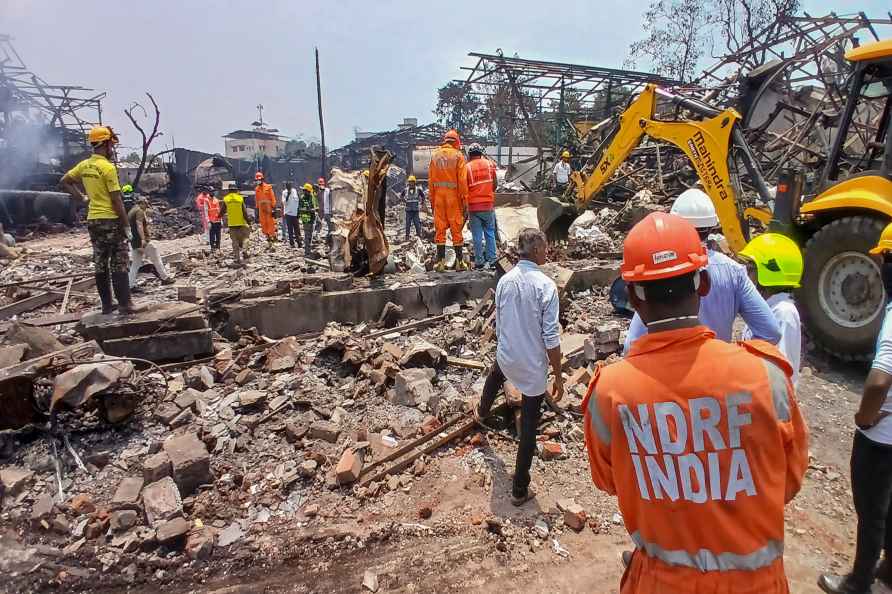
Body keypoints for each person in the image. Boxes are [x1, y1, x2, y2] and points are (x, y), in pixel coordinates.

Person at [584, 212, 808, 594]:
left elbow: (610, 482)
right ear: (703, 283)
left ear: (634, 296)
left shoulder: (610, 393)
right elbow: (788, 481)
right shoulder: (768, 377)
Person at [818, 223, 892, 594]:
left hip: (880, 437)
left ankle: (858, 583)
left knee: (870, 510)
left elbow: (880, 380)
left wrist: (864, 418)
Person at [624, 188, 780, 352]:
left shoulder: (664, 270)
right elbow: (770, 332)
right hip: (719, 370)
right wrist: (733, 357)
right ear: (712, 227)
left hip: (669, 372)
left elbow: (631, 345)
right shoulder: (733, 271)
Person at [473, 228, 563, 506]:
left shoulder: (505, 281)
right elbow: (551, 338)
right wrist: (558, 375)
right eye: (545, 247)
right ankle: (519, 489)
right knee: (530, 425)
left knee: (495, 374)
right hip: (531, 366)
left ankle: (481, 415)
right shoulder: (546, 286)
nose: (548, 251)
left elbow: (500, 320)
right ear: (536, 250)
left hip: (507, 355)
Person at [60, 125, 135, 315]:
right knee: (119, 262)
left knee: (100, 262)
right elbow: (116, 200)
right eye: (112, 144)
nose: (113, 149)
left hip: (93, 220)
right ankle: (125, 304)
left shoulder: (84, 165)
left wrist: (82, 198)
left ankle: (107, 305)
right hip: (111, 219)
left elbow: (65, 181)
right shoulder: (107, 168)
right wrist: (126, 225)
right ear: (106, 143)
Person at [739, 233, 804, 387]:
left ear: (768, 272)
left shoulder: (783, 312)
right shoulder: (768, 307)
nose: (747, 274)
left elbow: (776, 372)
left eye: (750, 268)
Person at [428, 129, 469, 272]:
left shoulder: (435, 156)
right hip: (453, 198)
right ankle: (459, 262)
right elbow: (462, 181)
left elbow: (431, 181)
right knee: (456, 229)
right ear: (456, 141)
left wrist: (432, 201)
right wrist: (464, 201)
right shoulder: (458, 156)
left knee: (440, 229)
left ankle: (439, 263)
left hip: (439, 197)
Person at [127, 196, 174, 290]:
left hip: (134, 242)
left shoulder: (131, 212)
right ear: (142, 203)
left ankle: (130, 285)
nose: (146, 207)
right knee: (156, 257)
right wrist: (143, 239)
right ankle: (165, 278)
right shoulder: (139, 211)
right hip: (143, 241)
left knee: (135, 265)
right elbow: (139, 225)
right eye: (146, 205)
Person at [465, 143, 498, 269]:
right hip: (488, 205)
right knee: (490, 232)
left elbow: (464, 187)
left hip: (474, 207)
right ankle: (493, 260)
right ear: (481, 153)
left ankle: (479, 262)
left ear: (470, 154)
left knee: (477, 236)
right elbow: (495, 184)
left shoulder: (467, 167)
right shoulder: (489, 164)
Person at [223, 185, 251, 266]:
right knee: (246, 237)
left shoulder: (226, 199)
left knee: (234, 242)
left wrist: (218, 217)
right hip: (241, 223)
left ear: (229, 190)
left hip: (232, 224)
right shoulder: (240, 198)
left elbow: (222, 210)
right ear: (236, 190)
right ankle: (245, 250)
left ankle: (237, 258)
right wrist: (248, 221)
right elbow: (244, 212)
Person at [254, 172, 277, 247]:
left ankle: (272, 238)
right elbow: (257, 200)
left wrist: (274, 208)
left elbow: (272, 197)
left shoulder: (268, 187)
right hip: (261, 209)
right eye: (257, 180)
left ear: (262, 179)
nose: (258, 181)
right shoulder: (257, 189)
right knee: (263, 224)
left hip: (268, 208)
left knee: (270, 223)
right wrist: (256, 211)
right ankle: (268, 237)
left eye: (259, 179)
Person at [402, 175, 425, 241]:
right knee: (407, 224)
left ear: (414, 182)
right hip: (408, 210)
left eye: (412, 182)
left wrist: (422, 202)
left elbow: (423, 196)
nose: (411, 183)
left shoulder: (418, 189)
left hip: (415, 210)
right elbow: (401, 196)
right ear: (408, 182)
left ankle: (419, 236)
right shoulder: (405, 190)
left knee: (417, 224)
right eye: (410, 182)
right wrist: (404, 201)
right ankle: (407, 237)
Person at [298, 183, 318, 258]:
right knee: (307, 236)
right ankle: (307, 252)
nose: (306, 192)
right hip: (306, 220)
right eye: (306, 191)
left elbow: (315, 207)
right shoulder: (302, 198)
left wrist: (314, 210)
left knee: (310, 236)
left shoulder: (311, 197)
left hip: (312, 219)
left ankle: (309, 250)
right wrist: (308, 210)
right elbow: (300, 209)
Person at [281, 181, 302, 249]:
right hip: (288, 214)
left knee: (297, 229)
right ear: (286, 187)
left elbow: (297, 201)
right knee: (290, 229)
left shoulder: (294, 191)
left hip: (295, 213)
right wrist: (288, 195)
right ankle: (292, 243)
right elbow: (284, 203)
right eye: (288, 187)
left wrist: (299, 211)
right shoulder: (284, 192)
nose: (289, 188)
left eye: (290, 186)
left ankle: (299, 243)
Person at [317, 177, 333, 247]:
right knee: (318, 226)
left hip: (327, 212)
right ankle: (317, 240)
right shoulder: (317, 192)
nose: (321, 186)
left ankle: (327, 240)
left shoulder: (328, 191)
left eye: (322, 184)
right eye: (319, 184)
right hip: (320, 212)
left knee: (330, 227)